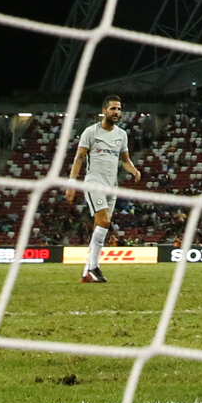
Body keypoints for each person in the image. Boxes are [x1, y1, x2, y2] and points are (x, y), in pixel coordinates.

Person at [65, 95, 141, 284]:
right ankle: (93, 268)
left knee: (102, 226)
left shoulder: (121, 134)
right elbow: (79, 158)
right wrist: (71, 183)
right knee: (104, 221)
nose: (117, 112)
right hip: (94, 182)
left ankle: (87, 273)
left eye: (119, 109)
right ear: (104, 111)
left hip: (111, 185)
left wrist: (133, 170)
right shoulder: (90, 132)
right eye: (113, 108)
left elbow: (124, 159)